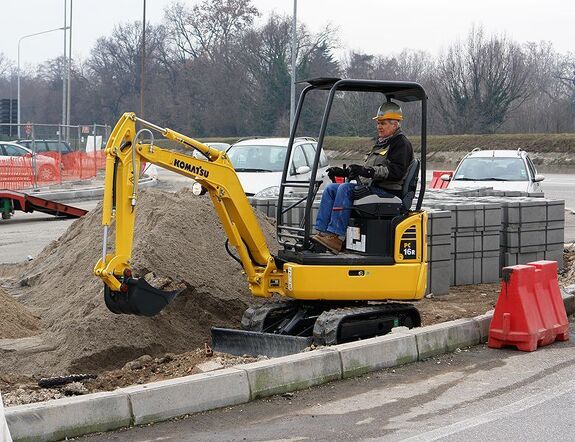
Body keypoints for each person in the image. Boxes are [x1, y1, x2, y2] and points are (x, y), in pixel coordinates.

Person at [312, 101, 414, 254]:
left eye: (383, 123)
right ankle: (321, 233)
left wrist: (366, 172)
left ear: (395, 124)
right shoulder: (381, 144)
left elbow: (395, 172)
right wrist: (345, 172)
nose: (379, 126)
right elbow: (368, 170)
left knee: (345, 189)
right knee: (332, 189)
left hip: (389, 193)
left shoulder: (401, 144)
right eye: (378, 123)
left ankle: (335, 237)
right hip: (375, 189)